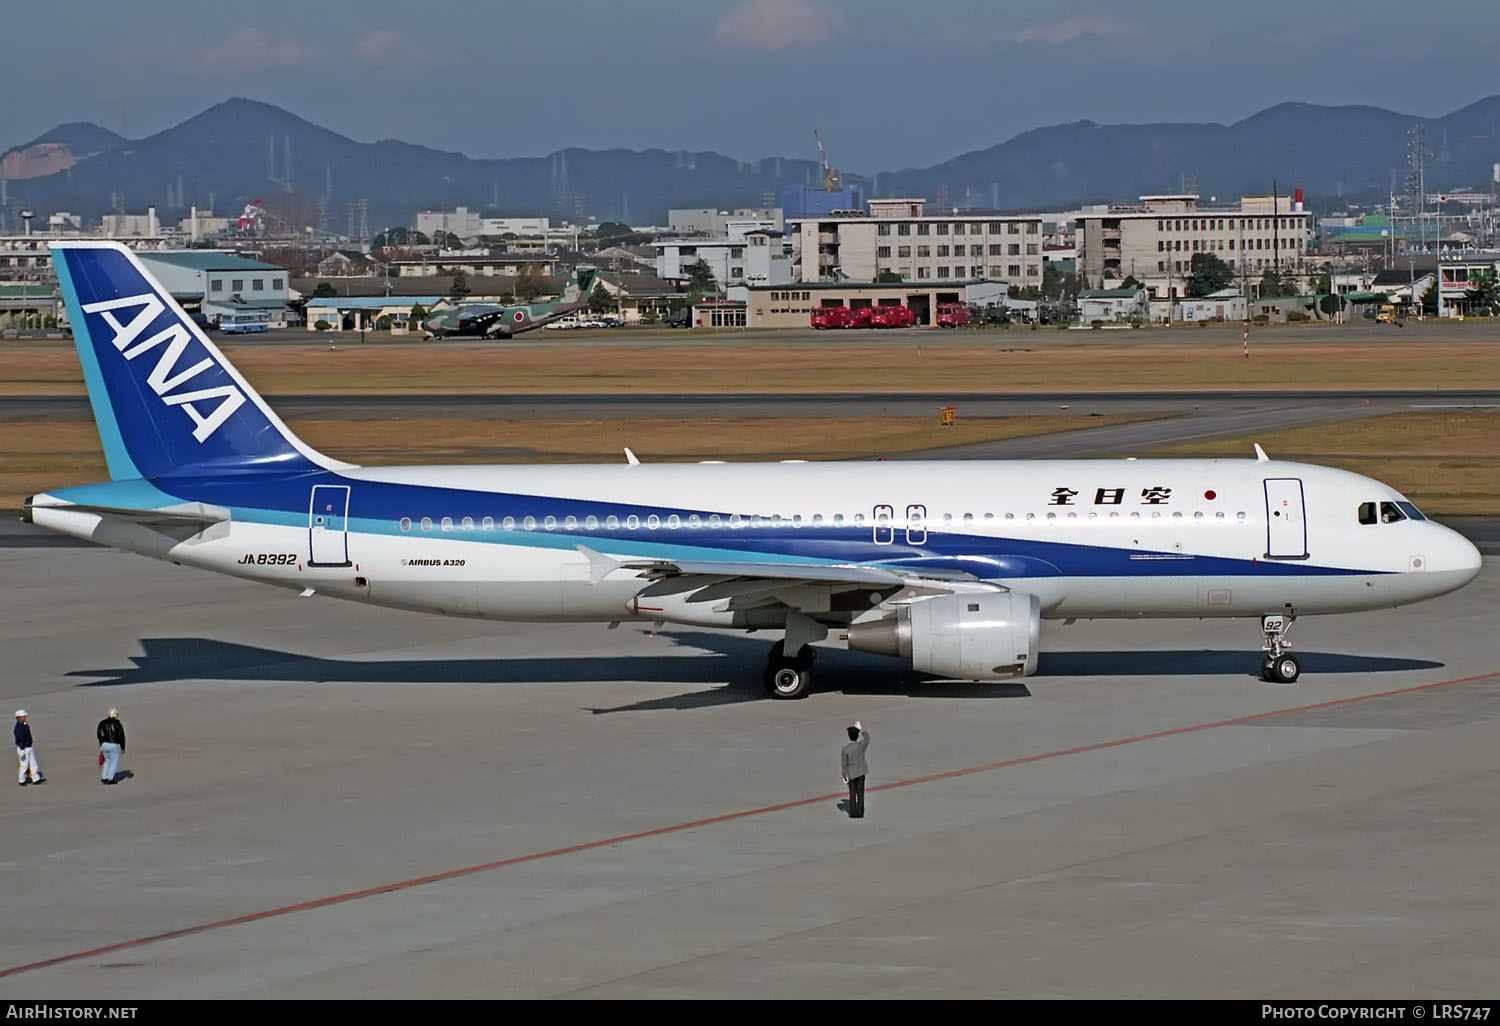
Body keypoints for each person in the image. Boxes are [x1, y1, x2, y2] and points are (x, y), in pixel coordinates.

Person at [840, 720, 870, 819]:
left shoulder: (845, 750)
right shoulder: (861, 746)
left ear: (849, 736)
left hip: (852, 774)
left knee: (852, 794)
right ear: (857, 736)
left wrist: (844, 776)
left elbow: (844, 764)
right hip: (861, 772)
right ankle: (860, 813)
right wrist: (861, 729)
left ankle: (853, 814)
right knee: (860, 794)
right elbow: (867, 738)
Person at [14, 710, 45, 786]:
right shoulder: (18, 728)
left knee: (33, 764)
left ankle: (36, 779)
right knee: (24, 765)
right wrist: (22, 750)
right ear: (18, 717)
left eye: (25, 716)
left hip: (29, 747)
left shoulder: (24, 724)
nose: (25, 717)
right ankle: (21, 780)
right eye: (23, 716)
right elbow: (19, 739)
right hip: (23, 749)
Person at [97, 708, 125, 785]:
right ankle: (110, 778)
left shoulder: (102, 723)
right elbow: (121, 736)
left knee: (107, 761)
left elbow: (99, 735)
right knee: (114, 762)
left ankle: (104, 778)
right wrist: (122, 747)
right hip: (113, 744)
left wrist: (101, 745)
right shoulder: (117, 724)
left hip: (104, 745)